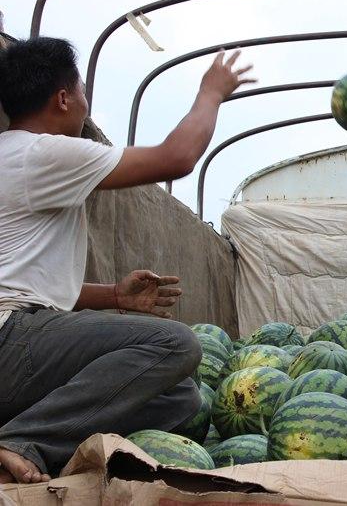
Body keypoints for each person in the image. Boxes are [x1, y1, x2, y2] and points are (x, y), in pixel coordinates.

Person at [0, 37, 254, 483]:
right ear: (63, 99)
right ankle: (20, 442)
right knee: (176, 344)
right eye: (81, 92)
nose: (84, 104)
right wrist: (212, 92)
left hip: (17, 348)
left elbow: (26, 286)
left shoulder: (12, 156)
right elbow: (177, 157)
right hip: (11, 343)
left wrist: (114, 295)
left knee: (182, 399)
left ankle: (38, 444)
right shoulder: (42, 152)